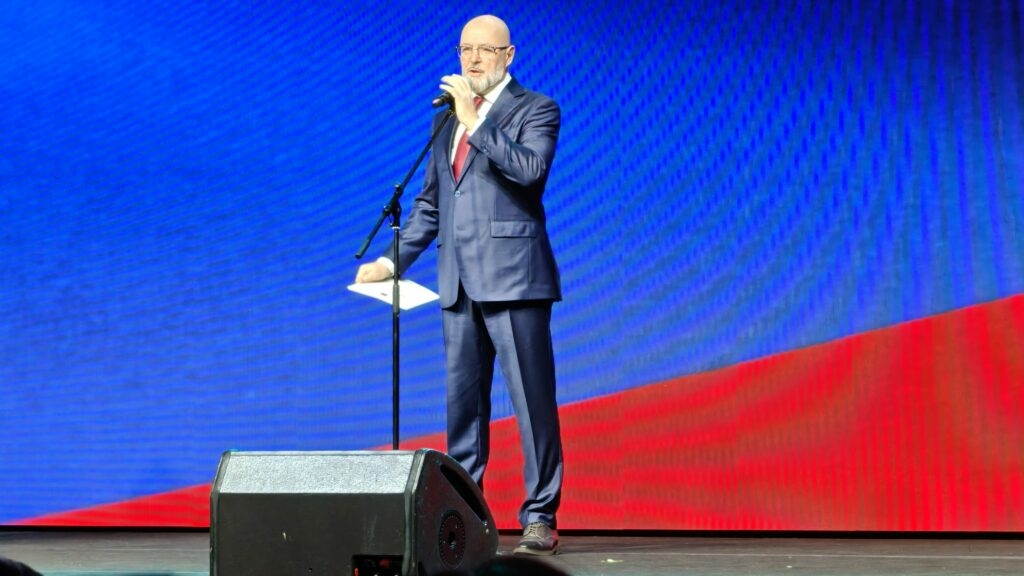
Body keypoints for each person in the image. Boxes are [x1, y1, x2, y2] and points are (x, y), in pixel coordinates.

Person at [355, 14, 563, 555]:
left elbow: (530, 172)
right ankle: (466, 517)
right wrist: (391, 262)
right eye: (465, 49)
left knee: (532, 404)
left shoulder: (536, 109)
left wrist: (476, 120)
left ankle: (539, 515)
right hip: (457, 283)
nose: (472, 59)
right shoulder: (445, 120)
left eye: (485, 50)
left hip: (515, 281)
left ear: (508, 56)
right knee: (463, 410)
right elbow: (430, 203)